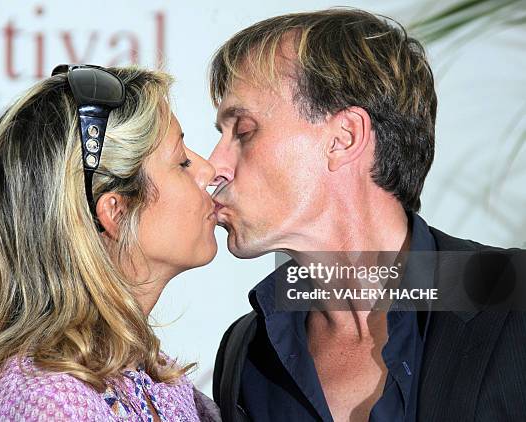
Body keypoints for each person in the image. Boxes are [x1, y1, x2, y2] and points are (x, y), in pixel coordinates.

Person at [208, 8, 526, 422]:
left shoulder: (514, 301)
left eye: (244, 131)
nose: (215, 165)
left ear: (345, 138)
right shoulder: (246, 353)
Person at [0, 65, 221, 421]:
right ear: (116, 212)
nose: (209, 171)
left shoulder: (158, 376)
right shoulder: (48, 398)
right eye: (182, 162)